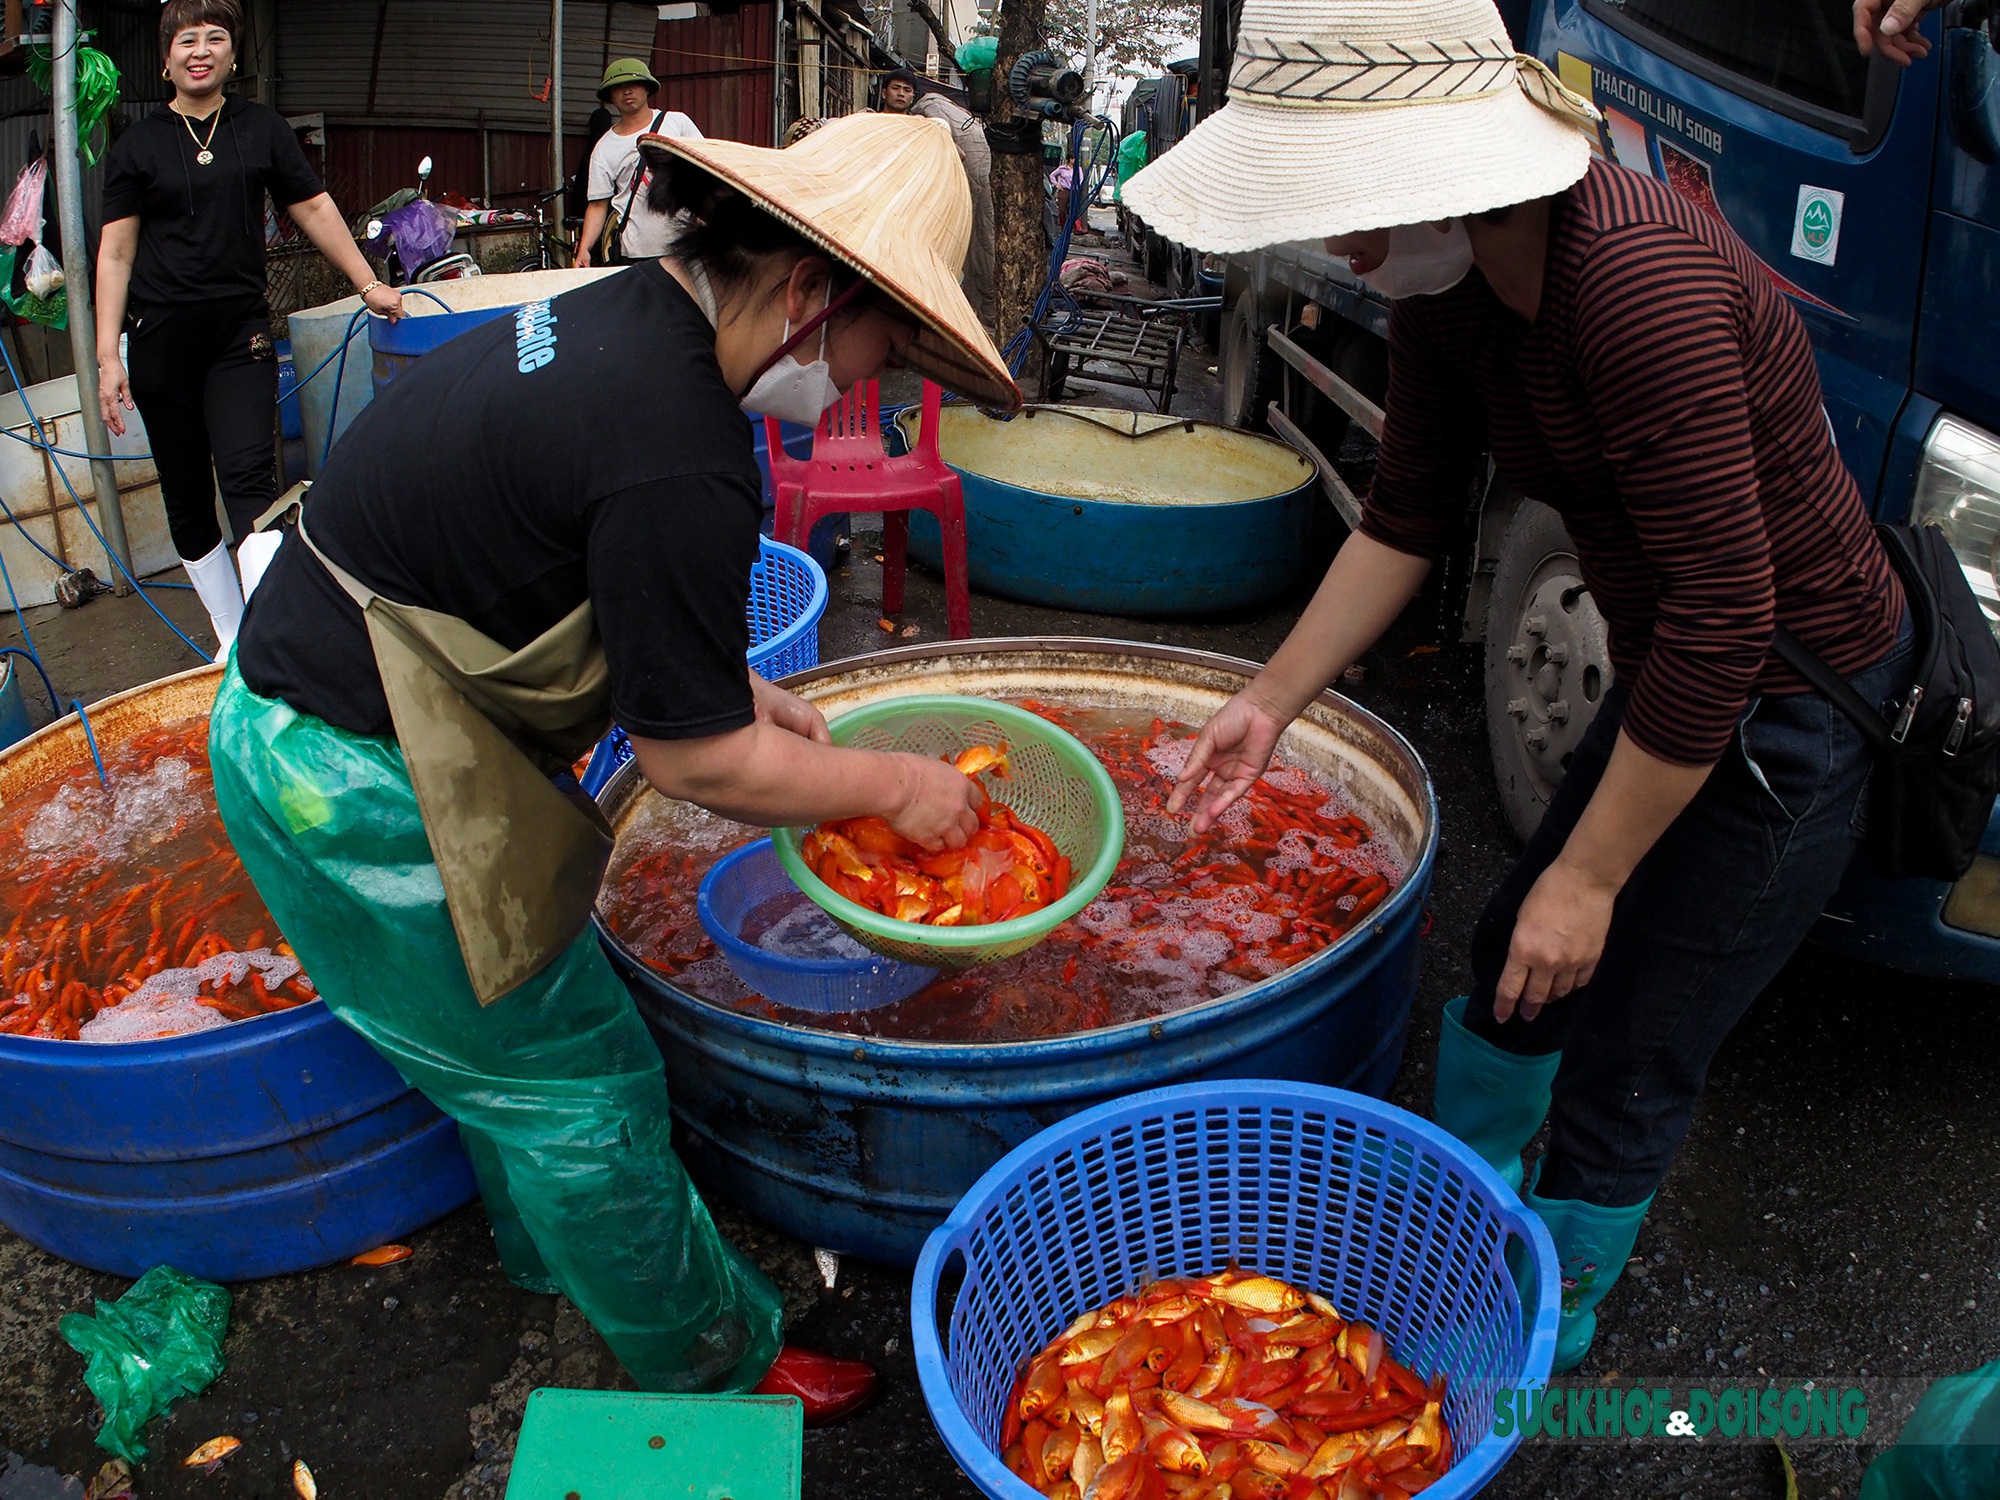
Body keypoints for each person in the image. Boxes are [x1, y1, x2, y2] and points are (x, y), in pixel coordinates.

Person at [1124, 0, 1913, 1374]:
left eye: (1354, 206)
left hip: (1793, 691)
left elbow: (1729, 624)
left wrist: (1594, 875)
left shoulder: (1638, 286)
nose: (1346, 247)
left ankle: (1535, 1332)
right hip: (1677, 662)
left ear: (1458, 174)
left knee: (1635, 1041)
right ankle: (1460, 1215)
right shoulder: (1453, 292)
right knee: (1515, 971)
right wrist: (1271, 702)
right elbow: (1405, 517)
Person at [208, 112, 1017, 1413]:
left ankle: (564, 1258)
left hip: (319, 705)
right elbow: (692, 760)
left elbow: (568, 554)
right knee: (587, 1082)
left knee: (513, 1038)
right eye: (883, 348)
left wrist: (731, 678)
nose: (871, 386)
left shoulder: (625, 320)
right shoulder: (680, 441)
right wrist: (900, 788)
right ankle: (710, 1370)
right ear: (811, 294)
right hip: (346, 769)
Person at [94, 0, 402, 654]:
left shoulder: (259, 129)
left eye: (214, 38)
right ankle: (232, 638)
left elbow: (314, 207)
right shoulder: (137, 147)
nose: (199, 50)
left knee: (250, 482)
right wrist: (107, 356)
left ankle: (272, 637)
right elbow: (115, 254)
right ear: (165, 58)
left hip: (240, 337)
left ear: (233, 55)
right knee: (184, 491)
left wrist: (367, 283)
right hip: (158, 340)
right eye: (186, 40)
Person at [880, 66, 995, 331]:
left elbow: (959, 155)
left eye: (907, 90)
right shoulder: (871, 122)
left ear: (912, 97)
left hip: (910, 209)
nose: (901, 94)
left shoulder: (922, 126)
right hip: (880, 204)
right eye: (896, 88)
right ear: (885, 92)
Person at [576, 57, 701, 269]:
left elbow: (706, 172)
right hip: (635, 250)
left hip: (685, 244)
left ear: (647, 88)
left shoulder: (677, 123)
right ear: (610, 97)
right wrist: (584, 249)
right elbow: (597, 204)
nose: (627, 92)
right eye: (619, 87)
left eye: (633, 84)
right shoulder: (604, 147)